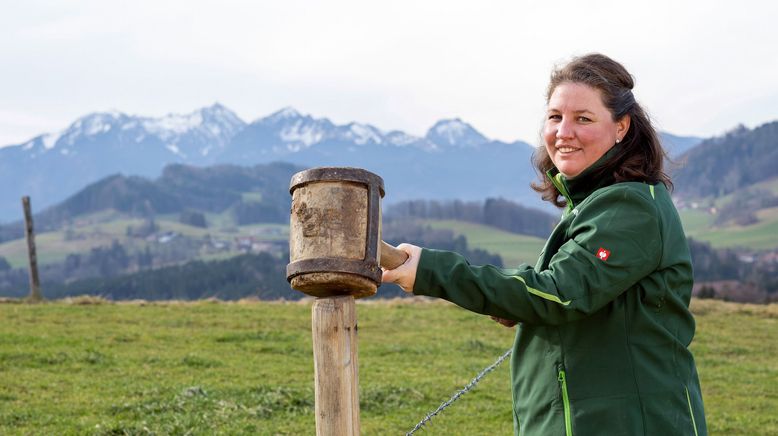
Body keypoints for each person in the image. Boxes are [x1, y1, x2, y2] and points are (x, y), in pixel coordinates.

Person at [382, 53, 707, 436]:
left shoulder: (629, 207)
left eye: (583, 119)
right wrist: (515, 302)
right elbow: (563, 293)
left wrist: (429, 270)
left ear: (621, 127)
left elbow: (558, 294)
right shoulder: (592, 206)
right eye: (555, 117)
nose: (563, 132)